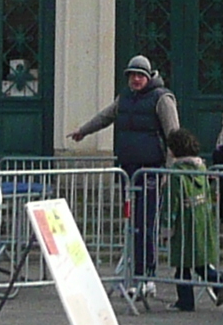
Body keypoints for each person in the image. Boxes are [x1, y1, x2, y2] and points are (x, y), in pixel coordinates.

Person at [74, 57, 178, 294]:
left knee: (147, 223)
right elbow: (104, 117)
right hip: (128, 170)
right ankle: (134, 275)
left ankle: (147, 277)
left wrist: (169, 170)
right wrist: (83, 131)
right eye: (132, 75)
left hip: (151, 170)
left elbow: (173, 134)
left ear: (149, 76)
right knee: (133, 225)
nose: (135, 79)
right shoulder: (125, 99)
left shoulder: (162, 99)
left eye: (140, 75)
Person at [161, 128, 220, 312]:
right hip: (201, 218)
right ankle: (217, 282)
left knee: (182, 264)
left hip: (183, 223)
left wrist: (167, 226)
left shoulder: (176, 173)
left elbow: (172, 202)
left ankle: (187, 300)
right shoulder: (201, 168)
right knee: (199, 260)